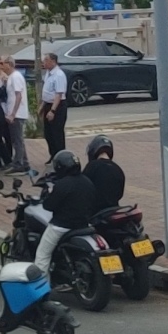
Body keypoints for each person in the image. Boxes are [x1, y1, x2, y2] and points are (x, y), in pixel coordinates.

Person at [33, 149, 98, 278]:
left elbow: (48, 206)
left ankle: (41, 284)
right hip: (83, 225)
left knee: (43, 254)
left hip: (61, 227)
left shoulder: (62, 184)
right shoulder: (87, 181)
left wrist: (50, 195)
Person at [0, 57, 31, 173]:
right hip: (15, 113)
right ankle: (24, 162)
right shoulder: (11, 77)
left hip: (17, 114)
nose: (1, 66)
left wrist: (13, 114)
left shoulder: (16, 77)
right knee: (17, 139)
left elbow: (18, 95)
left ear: (9, 64)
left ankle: (18, 163)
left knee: (17, 140)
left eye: (3, 63)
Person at [39, 51, 69, 159]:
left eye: (46, 60)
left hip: (57, 106)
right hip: (48, 104)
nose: (44, 62)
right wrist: (42, 106)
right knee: (48, 134)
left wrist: (52, 111)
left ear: (53, 61)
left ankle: (60, 157)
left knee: (57, 133)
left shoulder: (59, 75)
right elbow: (47, 92)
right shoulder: (48, 73)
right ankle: (53, 155)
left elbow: (58, 94)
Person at [84, 135, 125, 210]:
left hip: (95, 211)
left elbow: (83, 188)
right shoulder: (118, 169)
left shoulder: (91, 167)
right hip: (114, 210)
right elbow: (120, 194)